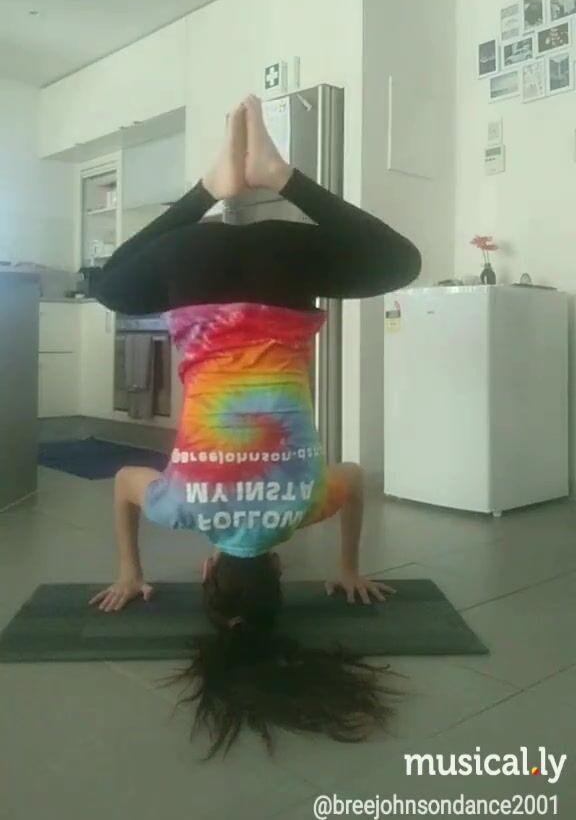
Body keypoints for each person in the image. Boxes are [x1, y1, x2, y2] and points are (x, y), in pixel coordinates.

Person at [90, 95, 422, 757]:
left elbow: (355, 478)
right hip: (193, 271)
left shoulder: (301, 509)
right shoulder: (185, 508)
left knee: (400, 263)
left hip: (283, 272)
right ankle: (209, 189)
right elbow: (124, 484)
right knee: (110, 287)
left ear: (277, 569)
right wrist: (129, 572)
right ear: (208, 573)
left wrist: (348, 566)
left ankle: (279, 176)